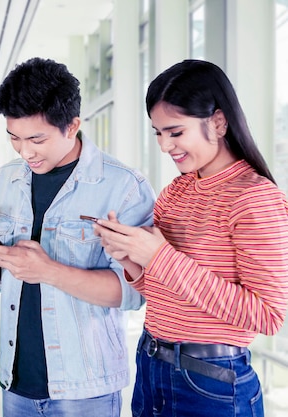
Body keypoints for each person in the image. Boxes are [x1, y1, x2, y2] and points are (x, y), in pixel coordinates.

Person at [0, 57, 156, 417]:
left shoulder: (123, 187)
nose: (25, 151)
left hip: (86, 391)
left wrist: (49, 270)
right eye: (14, 138)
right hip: (16, 385)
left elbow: (132, 294)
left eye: (37, 139)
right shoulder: (6, 180)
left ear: (73, 126)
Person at [95, 59, 288, 417]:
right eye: (158, 132)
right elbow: (168, 295)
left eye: (175, 131)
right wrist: (129, 258)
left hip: (209, 383)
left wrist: (159, 256)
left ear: (217, 122)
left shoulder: (254, 197)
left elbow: (267, 315)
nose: (166, 146)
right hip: (152, 366)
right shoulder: (175, 193)